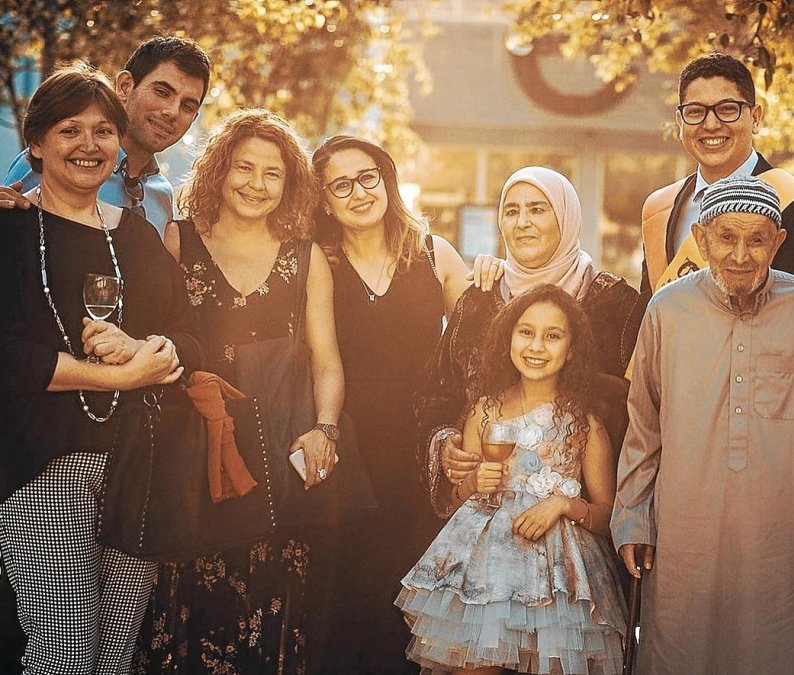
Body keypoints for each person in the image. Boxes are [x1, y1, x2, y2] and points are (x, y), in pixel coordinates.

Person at [612, 175, 794, 673]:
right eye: (726, 237)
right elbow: (644, 427)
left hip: (786, 543)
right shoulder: (666, 309)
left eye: (757, 240)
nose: (741, 255)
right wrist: (633, 516)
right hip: (684, 537)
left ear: (779, 242)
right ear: (702, 238)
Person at [0, 63, 201, 674]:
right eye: (69, 130)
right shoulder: (9, 230)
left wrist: (153, 350)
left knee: (113, 657)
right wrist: (115, 377)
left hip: (138, 469)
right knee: (62, 652)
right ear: (36, 144)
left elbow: (191, 336)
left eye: (103, 131)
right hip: (44, 470)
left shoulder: (138, 236)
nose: (89, 145)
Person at [135, 109, 337, 674]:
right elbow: (155, 338)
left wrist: (325, 428)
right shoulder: (179, 239)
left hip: (278, 459)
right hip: (195, 453)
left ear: (289, 184)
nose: (256, 183)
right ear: (220, 170)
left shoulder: (305, 256)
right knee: (187, 600)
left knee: (273, 607)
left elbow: (327, 360)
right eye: (244, 167)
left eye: (273, 173)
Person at [307, 135, 486, 674]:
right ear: (324, 202)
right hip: (351, 447)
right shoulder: (317, 261)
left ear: (387, 181)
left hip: (424, 450)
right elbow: (320, 357)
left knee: (414, 598)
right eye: (341, 185)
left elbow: (480, 354)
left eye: (368, 177)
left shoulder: (434, 253)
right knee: (350, 595)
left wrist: (492, 278)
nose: (359, 192)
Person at [397, 284, 626, 674]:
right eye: (526, 332)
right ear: (508, 339)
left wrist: (563, 504)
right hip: (487, 578)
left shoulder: (584, 424)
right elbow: (459, 502)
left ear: (572, 350)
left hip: (559, 585)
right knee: (475, 664)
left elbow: (609, 516)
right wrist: (474, 483)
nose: (536, 346)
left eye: (552, 336)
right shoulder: (483, 412)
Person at [419, 166, 644, 515]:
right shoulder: (479, 299)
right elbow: (437, 392)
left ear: (566, 217)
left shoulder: (616, 305)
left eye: (537, 209)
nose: (522, 222)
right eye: (511, 211)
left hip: (585, 511)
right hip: (486, 508)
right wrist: (446, 442)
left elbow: (642, 404)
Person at [639, 52, 794, 297]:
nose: (711, 124)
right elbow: (650, 313)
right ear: (680, 123)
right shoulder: (660, 209)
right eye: (695, 112)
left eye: (727, 109)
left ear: (755, 118)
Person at [2, 36, 211, 232]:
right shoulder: (53, 162)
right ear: (125, 86)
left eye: (187, 106)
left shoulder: (162, 196)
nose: (172, 112)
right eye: (162, 92)